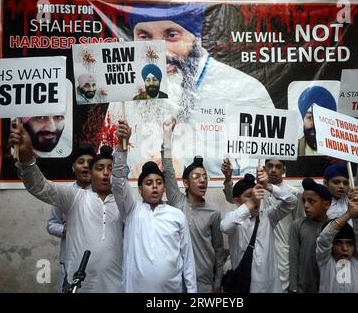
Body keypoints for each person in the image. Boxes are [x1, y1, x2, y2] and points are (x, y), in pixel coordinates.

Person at [106, 3, 275, 178]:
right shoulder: (124, 95)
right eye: (145, 37)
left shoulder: (244, 89)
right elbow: (108, 166)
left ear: (196, 38)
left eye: (171, 35)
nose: (159, 51)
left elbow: (262, 173)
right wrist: (133, 176)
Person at [8, 122, 124, 292]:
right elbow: (40, 186)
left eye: (110, 169)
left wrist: (122, 145)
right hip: (79, 285)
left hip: (116, 285)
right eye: (99, 168)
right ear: (91, 172)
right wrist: (26, 158)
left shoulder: (124, 202)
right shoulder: (72, 196)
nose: (106, 173)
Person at [112, 118, 197, 293]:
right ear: (140, 190)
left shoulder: (176, 215)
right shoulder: (131, 211)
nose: (155, 186)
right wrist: (122, 146)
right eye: (149, 183)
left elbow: (187, 259)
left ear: (164, 187)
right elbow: (118, 181)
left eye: (159, 182)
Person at [161, 117, 225, 293]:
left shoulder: (213, 213)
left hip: (204, 282)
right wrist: (167, 136)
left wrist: (217, 282)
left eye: (205, 177)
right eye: (197, 177)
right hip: (176, 279)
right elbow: (167, 169)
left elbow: (219, 252)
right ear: (186, 183)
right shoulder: (176, 201)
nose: (202, 180)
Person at [222, 158, 303, 292]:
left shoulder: (269, 214)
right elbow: (226, 222)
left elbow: (292, 203)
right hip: (245, 275)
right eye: (270, 166)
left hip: (279, 259)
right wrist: (250, 200)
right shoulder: (237, 216)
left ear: (284, 169)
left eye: (278, 166)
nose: (273, 170)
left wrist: (268, 187)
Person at [46, 143, 95, 292]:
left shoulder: (104, 194)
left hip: (97, 261)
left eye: (90, 163)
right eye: (81, 162)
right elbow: (51, 224)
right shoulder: (63, 193)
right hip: (70, 259)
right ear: (73, 168)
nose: (86, 166)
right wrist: (65, 230)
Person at [316, 188, 358, 293]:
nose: (345, 248)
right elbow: (324, 240)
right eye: (338, 243)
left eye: (350, 244)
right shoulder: (326, 262)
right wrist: (348, 214)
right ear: (331, 246)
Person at [289, 178, 331, 293]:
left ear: (326, 204)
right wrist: (293, 287)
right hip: (303, 287)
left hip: (326, 285)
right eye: (304, 201)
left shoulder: (333, 227)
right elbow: (293, 258)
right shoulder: (297, 225)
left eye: (311, 201)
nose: (306, 205)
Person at [297, 86, 337, 155]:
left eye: (320, 118)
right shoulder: (295, 148)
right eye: (310, 117)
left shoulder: (339, 152)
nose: (315, 124)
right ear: (303, 120)